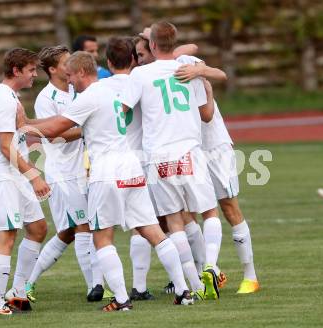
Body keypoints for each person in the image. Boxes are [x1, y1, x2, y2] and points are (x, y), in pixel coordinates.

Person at [24, 49, 195, 311]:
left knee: (101, 238)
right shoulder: (110, 90)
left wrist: (23, 123)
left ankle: (122, 300)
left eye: (70, 75)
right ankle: (184, 292)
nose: (69, 81)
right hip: (131, 168)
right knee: (154, 232)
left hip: (107, 172)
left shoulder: (89, 95)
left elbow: (55, 128)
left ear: (82, 72)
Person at [121, 21, 223, 300]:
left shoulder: (140, 75)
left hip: (158, 156)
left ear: (152, 45)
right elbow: (206, 115)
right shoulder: (189, 69)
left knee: (174, 221)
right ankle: (211, 266)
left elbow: (123, 111)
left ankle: (195, 284)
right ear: (174, 43)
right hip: (190, 150)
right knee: (209, 213)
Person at [17, 45, 97, 301]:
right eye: (65, 62)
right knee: (85, 226)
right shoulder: (46, 98)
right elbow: (54, 135)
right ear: (52, 69)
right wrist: (89, 129)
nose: (70, 65)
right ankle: (95, 287)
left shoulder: (77, 88)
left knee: (69, 232)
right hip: (63, 172)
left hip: (81, 169)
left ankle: (27, 284)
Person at [175, 54, 260, 294]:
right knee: (184, 211)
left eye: (142, 51)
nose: (140, 57)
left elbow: (219, 74)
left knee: (228, 207)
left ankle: (250, 276)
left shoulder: (182, 60)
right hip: (187, 150)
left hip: (214, 147)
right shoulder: (148, 73)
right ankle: (211, 270)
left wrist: (199, 71)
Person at [0, 48, 49, 316]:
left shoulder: (12, 97)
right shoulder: (3, 99)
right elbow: (4, 146)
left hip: (15, 173)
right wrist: (33, 175)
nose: (35, 74)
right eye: (31, 69)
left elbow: (16, 140)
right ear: (16, 71)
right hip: (1, 175)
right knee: (7, 235)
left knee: (37, 228)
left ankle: (17, 292)